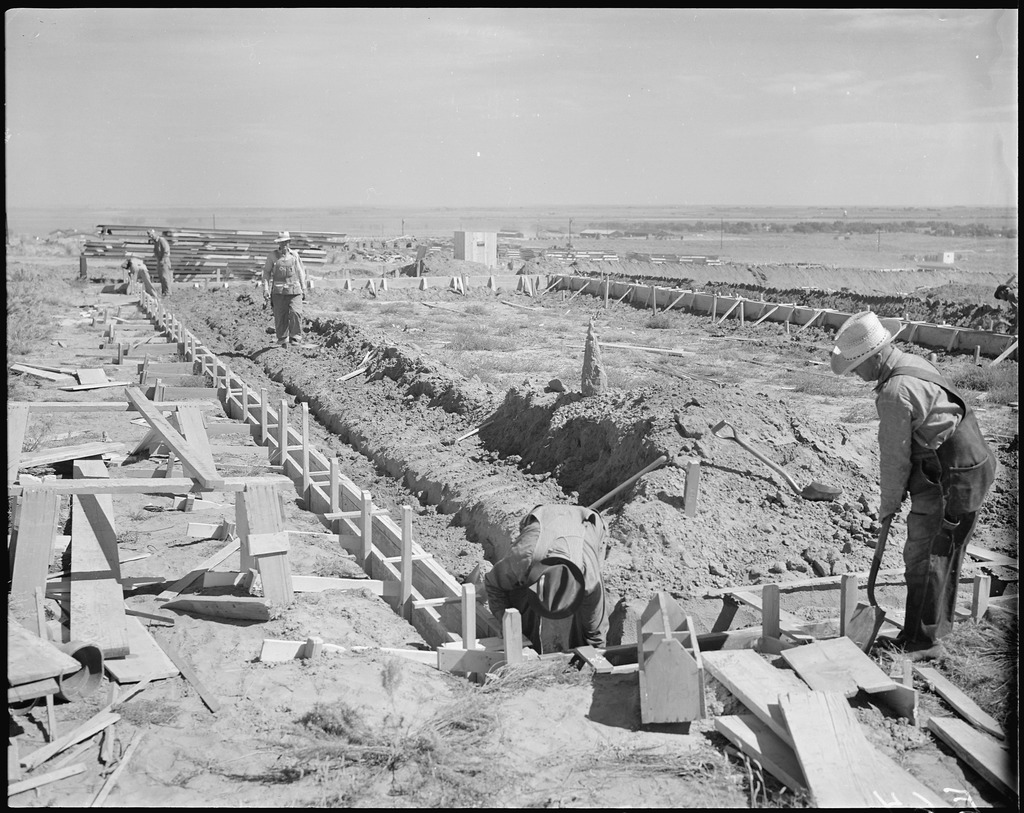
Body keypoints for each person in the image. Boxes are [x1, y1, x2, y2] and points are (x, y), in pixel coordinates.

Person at [829, 311, 996, 659]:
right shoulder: (912, 362)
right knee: (945, 555)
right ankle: (928, 633)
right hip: (971, 467)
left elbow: (895, 461)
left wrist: (888, 506)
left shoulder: (893, 393)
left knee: (925, 557)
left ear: (874, 357)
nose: (857, 376)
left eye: (856, 366)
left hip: (948, 479)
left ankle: (925, 643)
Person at [484, 503, 608, 652]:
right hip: (542, 519)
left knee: (582, 622)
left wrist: (595, 658)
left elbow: (596, 632)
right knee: (517, 600)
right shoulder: (523, 559)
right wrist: (506, 623)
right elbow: (493, 585)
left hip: (587, 525)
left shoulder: (590, 581)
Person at [262, 231, 309, 347]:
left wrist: (304, 287)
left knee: (296, 312)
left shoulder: (294, 255)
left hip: (294, 290)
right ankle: (282, 338)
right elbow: (266, 272)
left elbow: (300, 272)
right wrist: (266, 289)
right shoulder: (272, 256)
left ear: (289, 242)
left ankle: (295, 337)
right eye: (281, 242)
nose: (283, 245)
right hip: (278, 292)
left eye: (285, 242)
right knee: (280, 315)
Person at [148, 229, 173, 297]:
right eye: (150, 236)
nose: (151, 237)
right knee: (161, 277)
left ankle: (168, 293)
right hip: (160, 261)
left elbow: (166, 251)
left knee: (165, 277)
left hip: (164, 261)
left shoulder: (161, 240)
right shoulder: (155, 242)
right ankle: (164, 292)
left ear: (155, 234)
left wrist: (163, 260)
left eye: (152, 235)